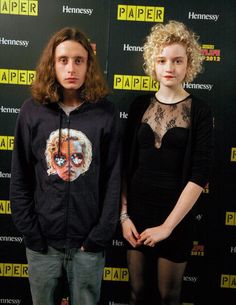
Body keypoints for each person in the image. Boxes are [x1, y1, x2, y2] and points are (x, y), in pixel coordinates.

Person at [10, 27, 120, 305]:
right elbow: (20, 178)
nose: (71, 68)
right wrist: (33, 235)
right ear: (52, 64)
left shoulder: (105, 114)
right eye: (63, 60)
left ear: (88, 65)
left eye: (79, 60)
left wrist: (99, 236)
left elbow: (113, 179)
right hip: (43, 245)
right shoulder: (31, 111)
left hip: (88, 246)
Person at [120, 20, 213, 305]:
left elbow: (199, 175)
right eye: (162, 60)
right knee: (137, 293)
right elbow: (124, 165)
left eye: (177, 60)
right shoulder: (139, 105)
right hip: (136, 215)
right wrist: (124, 216)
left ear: (189, 64)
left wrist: (168, 227)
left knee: (168, 297)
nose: (169, 67)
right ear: (153, 64)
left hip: (176, 219)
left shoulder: (200, 110)